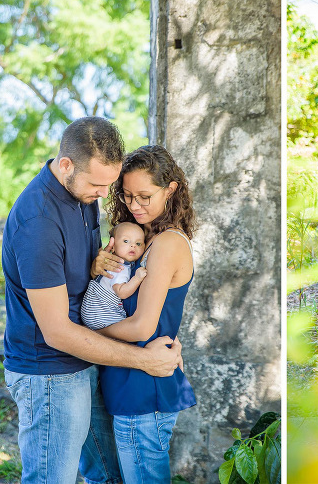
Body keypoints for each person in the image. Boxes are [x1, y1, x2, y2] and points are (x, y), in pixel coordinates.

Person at [2, 117, 182, 484]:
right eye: (98, 184)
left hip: (87, 361)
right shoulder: (38, 220)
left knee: (112, 475)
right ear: (66, 165)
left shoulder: (82, 197)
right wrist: (145, 359)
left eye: (109, 185)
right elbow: (57, 332)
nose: (104, 194)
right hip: (49, 374)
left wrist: (95, 264)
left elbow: (72, 278)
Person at [95, 145, 197, 484]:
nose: (134, 205)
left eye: (144, 196)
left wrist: (85, 332)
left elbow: (143, 326)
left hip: (143, 386)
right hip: (129, 379)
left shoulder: (167, 243)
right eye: (126, 196)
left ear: (171, 190)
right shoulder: (142, 239)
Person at [81, 222, 148, 330]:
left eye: (138, 244)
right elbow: (121, 292)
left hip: (93, 311)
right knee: (130, 330)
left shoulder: (110, 261)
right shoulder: (120, 267)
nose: (133, 245)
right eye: (126, 241)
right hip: (102, 314)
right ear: (112, 245)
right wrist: (137, 279)